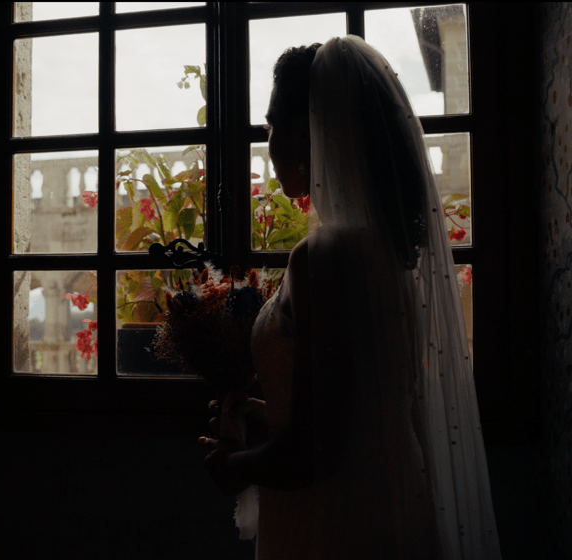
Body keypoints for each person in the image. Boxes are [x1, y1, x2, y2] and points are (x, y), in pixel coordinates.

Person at [199, 35, 502, 559]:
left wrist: (231, 466)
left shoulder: (323, 258)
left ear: (303, 132)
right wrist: (263, 413)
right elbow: (360, 411)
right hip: (392, 499)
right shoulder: (383, 254)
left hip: (335, 523)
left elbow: (315, 455)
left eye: (271, 125)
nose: (267, 140)